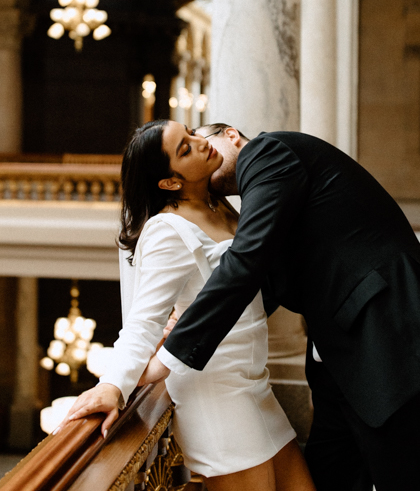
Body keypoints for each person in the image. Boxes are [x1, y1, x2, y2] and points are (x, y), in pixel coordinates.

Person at [142, 123, 420, 491]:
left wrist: (171, 355)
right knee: (329, 474)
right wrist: (186, 319)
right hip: (340, 361)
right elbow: (263, 287)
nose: (204, 169)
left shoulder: (269, 152)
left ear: (231, 136)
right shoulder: (273, 196)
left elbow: (245, 264)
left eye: (200, 140)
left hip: (385, 337)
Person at [57, 120, 316, 491]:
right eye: (185, 148)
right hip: (216, 398)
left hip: (255, 385)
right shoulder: (167, 230)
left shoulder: (222, 204)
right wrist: (114, 384)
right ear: (170, 182)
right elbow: (143, 322)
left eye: (192, 134)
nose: (201, 143)